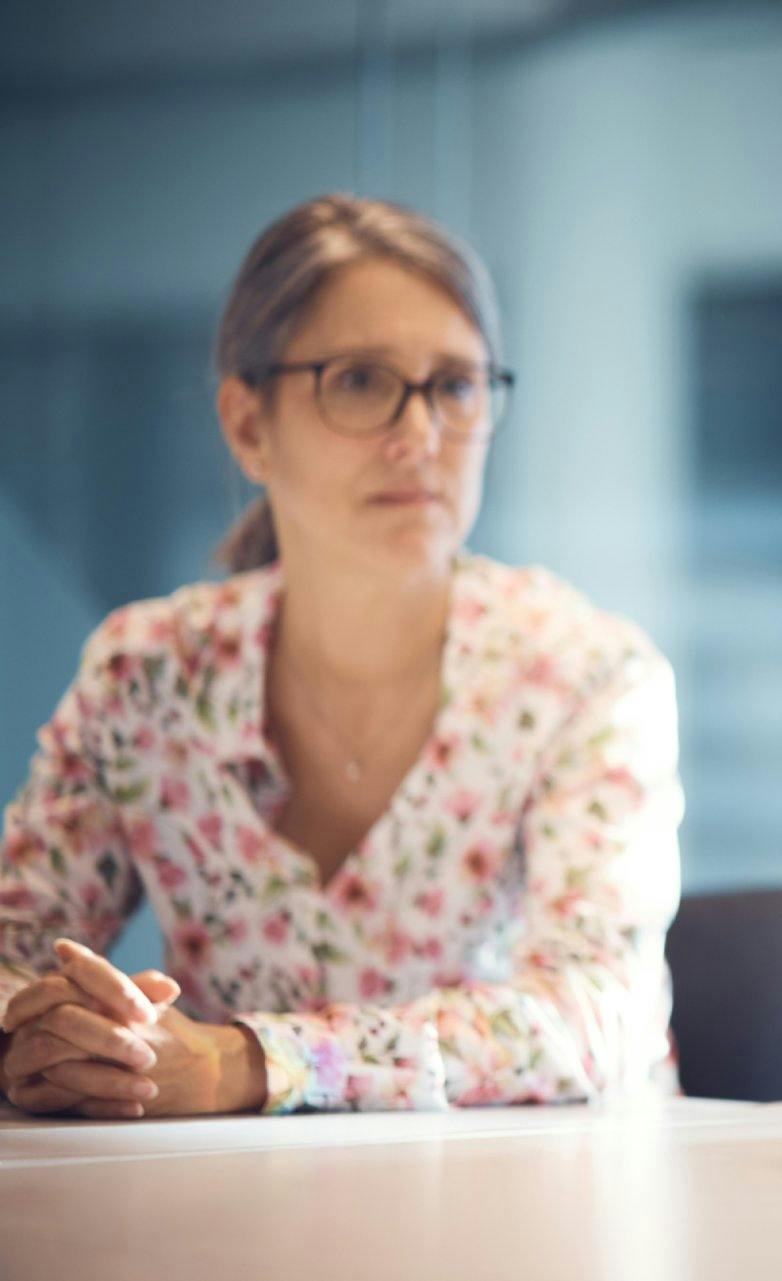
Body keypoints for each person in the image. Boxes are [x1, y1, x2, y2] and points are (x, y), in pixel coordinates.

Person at [0, 195, 682, 1118]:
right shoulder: (147, 675)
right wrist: (48, 1036)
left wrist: (252, 1062)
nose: (420, 435)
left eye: (455, 385)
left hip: (538, 1222)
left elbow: (595, 1015)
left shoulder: (585, 675)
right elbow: (16, 947)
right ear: (247, 425)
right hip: (223, 1225)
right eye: (360, 380)